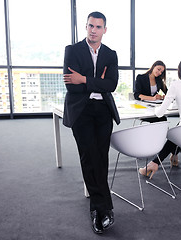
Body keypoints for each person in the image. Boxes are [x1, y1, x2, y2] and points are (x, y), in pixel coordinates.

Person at [63, 11, 119, 234]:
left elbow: (112, 85)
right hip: (82, 111)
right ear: (86, 27)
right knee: (89, 157)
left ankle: (99, 208)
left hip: (103, 111)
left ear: (105, 30)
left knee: (101, 158)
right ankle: (102, 208)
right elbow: (71, 86)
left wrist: (85, 78)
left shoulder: (111, 54)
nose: (93, 30)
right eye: (90, 26)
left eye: (98, 27)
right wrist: (98, 82)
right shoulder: (73, 50)